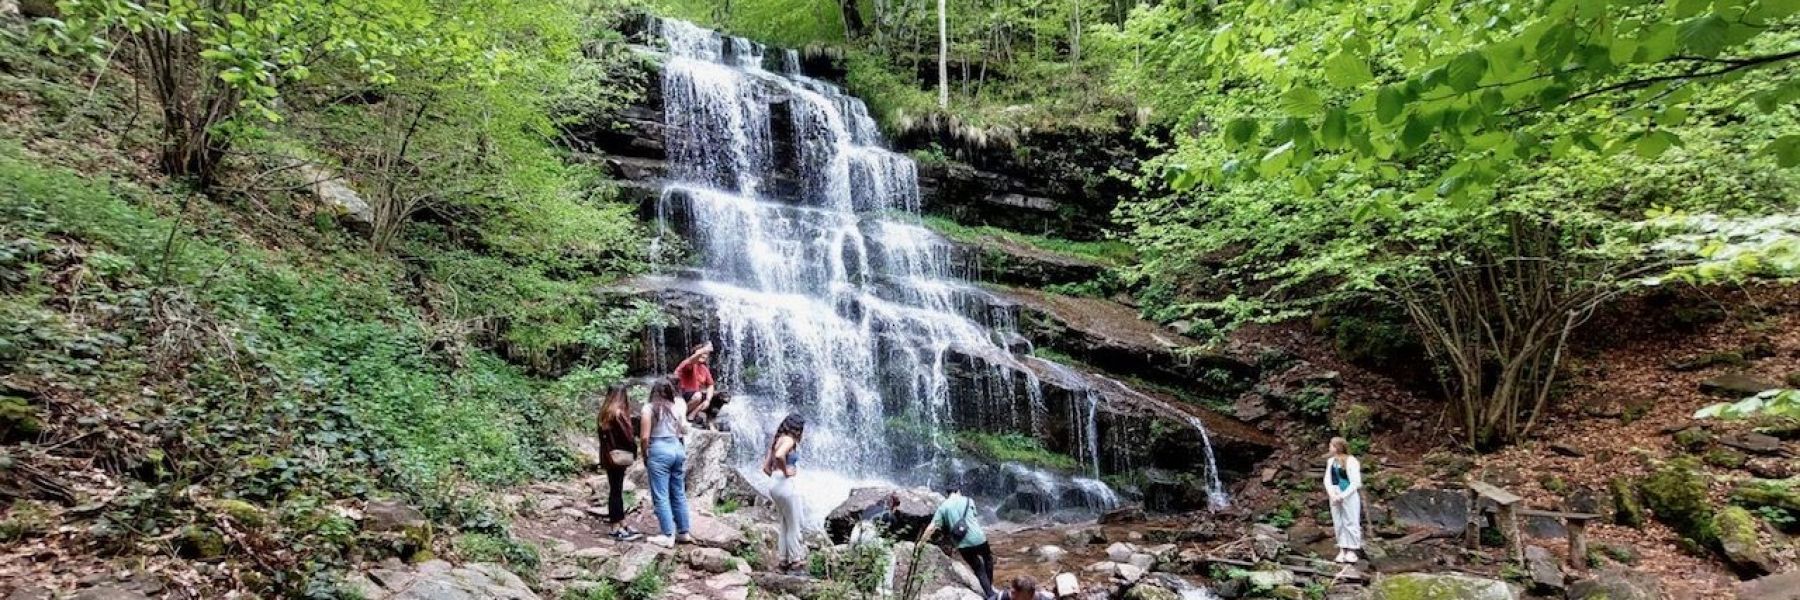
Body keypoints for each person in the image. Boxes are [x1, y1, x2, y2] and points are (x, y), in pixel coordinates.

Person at [919, 486, 995, 600]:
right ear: (958, 491)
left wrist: (921, 543)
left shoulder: (943, 507)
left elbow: (932, 527)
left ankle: (990, 594)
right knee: (988, 559)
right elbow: (973, 515)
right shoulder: (969, 500)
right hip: (979, 538)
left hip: (962, 544)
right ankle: (989, 585)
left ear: (947, 494)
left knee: (978, 568)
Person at [641, 378, 692, 546]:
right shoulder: (676, 407)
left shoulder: (649, 409)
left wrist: (644, 455)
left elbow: (644, 437)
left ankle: (667, 534)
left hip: (659, 448)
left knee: (661, 494)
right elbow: (681, 431)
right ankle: (683, 531)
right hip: (677, 448)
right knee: (678, 492)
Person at [761, 413, 807, 573]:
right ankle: (796, 561)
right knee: (794, 524)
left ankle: (783, 561)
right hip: (786, 485)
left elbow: (766, 468)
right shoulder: (788, 440)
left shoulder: (777, 439)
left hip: (774, 484)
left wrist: (778, 473)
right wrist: (786, 471)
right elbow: (780, 455)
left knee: (784, 524)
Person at [597, 384, 642, 541]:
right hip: (618, 455)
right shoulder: (618, 414)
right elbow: (628, 437)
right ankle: (616, 526)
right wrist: (635, 450)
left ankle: (620, 521)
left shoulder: (604, 412)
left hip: (608, 456)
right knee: (616, 491)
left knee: (615, 489)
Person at [1324, 436, 1364, 563]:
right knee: (1338, 521)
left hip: (1348, 494)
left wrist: (1343, 495)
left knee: (1350, 521)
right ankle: (1342, 548)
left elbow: (1356, 482)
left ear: (1338, 447)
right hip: (1334, 494)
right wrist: (1332, 494)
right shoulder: (1331, 461)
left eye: (1331, 445)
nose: (1330, 448)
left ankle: (1352, 549)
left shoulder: (1351, 461)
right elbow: (1327, 479)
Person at [674, 342, 716, 426]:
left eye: (706, 354)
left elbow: (710, 384)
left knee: (711, 397)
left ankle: (691, 416)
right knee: (698, 395)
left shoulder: (704, 368)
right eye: (702, 353)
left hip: (692, 395)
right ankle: (679, 416)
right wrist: (705, 348)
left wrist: (708, 399)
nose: (704, 355)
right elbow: (691, 360)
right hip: (680, 395)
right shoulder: (688, 363)